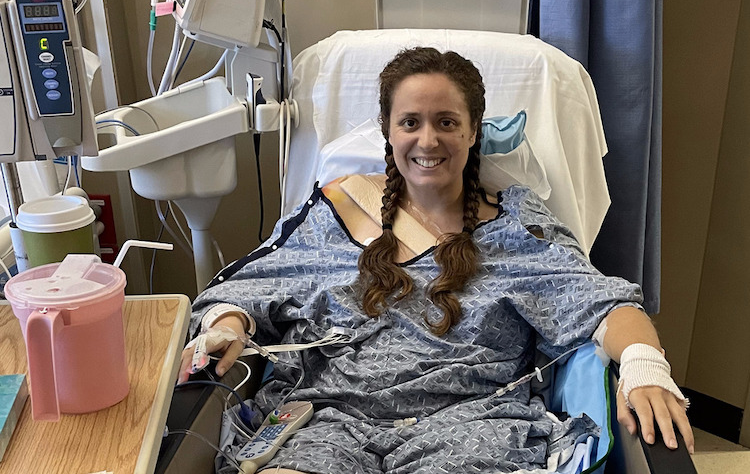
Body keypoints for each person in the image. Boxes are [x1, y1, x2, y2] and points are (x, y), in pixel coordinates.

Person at [180, 47, 693, 473]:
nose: (428, 140)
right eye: (411, 122)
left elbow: (601, 303)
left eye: (447, 122)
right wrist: (225, 324)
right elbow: (246, 288)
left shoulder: (516, 227)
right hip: (324, 420)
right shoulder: (330, 212)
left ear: (473, 131)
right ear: (388, 130)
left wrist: (645, 365)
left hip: (470, 426)